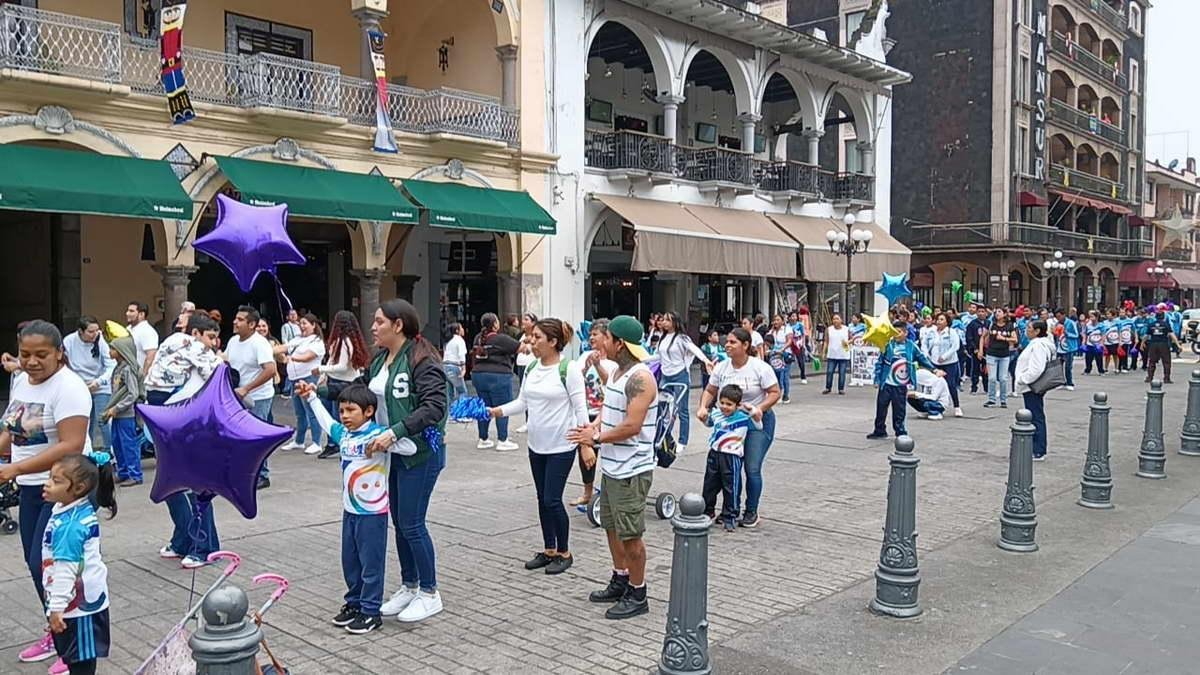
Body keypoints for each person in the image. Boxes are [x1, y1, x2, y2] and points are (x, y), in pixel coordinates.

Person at [0, 321, 92, 668]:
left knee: (55, 565)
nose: (32, 362)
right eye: (25, 354)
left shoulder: (69, 387)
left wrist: (15, 468)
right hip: (30, 488)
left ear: (59, 353)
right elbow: (11, 428)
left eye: (41, 354)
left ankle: (72, 644)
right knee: (35, 563)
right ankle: (56, 630)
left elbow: (72, 444)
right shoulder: (22, 380)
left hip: (64, 492)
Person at [356, 300, 448, 623]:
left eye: (379, 321)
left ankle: (430, 592)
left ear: (398, 325)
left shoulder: (421, 360)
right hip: (392, 454)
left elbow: (434, 406)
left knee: (412, 523)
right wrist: (318, 391)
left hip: (419, 454)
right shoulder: (380, 359)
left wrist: (395, 432)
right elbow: (363, 394)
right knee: (400, 521)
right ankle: (410, 585)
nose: (373, 327)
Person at [567, 315, 658, 620]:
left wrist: (595, 438)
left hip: (632, 469)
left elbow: (632, 425)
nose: (600, 342)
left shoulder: (641, 378)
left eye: (605, 337)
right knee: (611, 526)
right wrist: (594, 425)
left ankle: (638, 592)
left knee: (630, 535)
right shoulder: (618, 373)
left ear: (619, 343)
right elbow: (610, 409)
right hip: (613, 467)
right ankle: (621, 578)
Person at [299, 381, 403, 635]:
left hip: (373, 513)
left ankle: (371, 611)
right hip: (349, 511)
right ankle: (354, 603)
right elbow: (326, 421)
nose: (344, 416)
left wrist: (389, 441)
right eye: (342, 410)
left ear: (368, 411)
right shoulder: (344, 435)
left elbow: (410, 447)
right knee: (350, 562)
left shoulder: (380, 433)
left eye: (350, 410)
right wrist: (311, 397)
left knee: (371, 564)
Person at [492, 319, 588, 576]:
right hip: (537, 445)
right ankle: (549, 550)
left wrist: (585, 444)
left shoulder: (569, 369)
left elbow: (581, 409)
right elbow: (522, 402)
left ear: (553, 342)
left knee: (552, 499)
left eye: (537, 338)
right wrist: (496, 411)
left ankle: (564, 552)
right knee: (542, 499)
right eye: (531, 337)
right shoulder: (532, 367)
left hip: (561, 445)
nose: (531, 342)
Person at [144, 314, 222, 570]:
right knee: (173, 482)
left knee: (190, 482)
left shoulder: (177, 343)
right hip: (169, 413)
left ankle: (204, 546)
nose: (212, 343)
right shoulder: (189, 343)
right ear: (196, 333)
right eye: (210, 337)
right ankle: (185, 541)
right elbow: (217, 371)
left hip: (177, 415)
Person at [41, 453, 116, 675]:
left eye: (56, 481)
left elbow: (66, 568)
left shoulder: (70, 526)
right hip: (76, 602)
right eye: (49, 477)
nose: (47, 484)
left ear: (79, 488)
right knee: (77, 659)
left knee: (81, 663)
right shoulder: (69, 509)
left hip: (79, 607)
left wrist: (57, 608)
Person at [698, 328, 780, 528]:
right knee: (729, 467)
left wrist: (759, 409)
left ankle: (751, 511)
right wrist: (703, 407)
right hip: (731, 425)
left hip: (756, 422)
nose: (727, 345)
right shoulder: (722, 367)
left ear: (745, 345)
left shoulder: (759, 367)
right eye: (727, 341)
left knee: (751, 467)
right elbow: (710, 390)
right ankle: (729, 510)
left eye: (733, 342)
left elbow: (775, 392)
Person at [224, 306, 279, 489]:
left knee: (256, 436)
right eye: (236, 318)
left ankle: (262, 474)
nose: (235, 322)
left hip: (258, 397)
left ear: (252, 324)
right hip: (237, 396)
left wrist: (247, 388)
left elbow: (270, 369)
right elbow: (228, 362)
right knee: (240, 435)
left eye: (240, 320)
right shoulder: (233, 341)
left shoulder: (259, 343)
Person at [701, 383, 761, 532]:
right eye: (722, 403)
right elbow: (708, 422)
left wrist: (752, 410)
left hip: (732, 456)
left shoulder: (743, 417)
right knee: (709, 485)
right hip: (715, 453)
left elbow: (759, 424)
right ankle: (707, 511)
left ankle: (729, 516)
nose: (724, 407)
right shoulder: (716, 414)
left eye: (729, 404)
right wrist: (703, 415)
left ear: (737, 405)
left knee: (731, 487)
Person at [868, 320, 941, 439]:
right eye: (894, 332)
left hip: (901, 384)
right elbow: (880, 363)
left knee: (899, 409)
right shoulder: (888, 345)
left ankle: (900, 431)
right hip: (886, 383)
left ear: (905, 333)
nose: (896, 334)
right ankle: (879, 430)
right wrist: (877, 379)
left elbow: (922, 359)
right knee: (881, 408)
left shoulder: (911, 346)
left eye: (899, 332)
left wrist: (934, 369)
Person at [570, 320, 614, 509]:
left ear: (606, 336)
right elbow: (575, 380)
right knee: (585, 455)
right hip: (586, 413)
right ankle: (587, 493)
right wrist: (586, 367)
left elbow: (611, 385)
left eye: (595, 334)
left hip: (606, 414)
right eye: (590, 334)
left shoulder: (613, 362)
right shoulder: (584, 356)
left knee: (609, 455)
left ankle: (609, 493)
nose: (591, 338)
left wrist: (597, 366)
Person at [317, 310, 370, 459]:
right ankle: (333, 443)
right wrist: (324, 375)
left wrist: (321, 369)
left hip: (342, 382)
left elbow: (342, 366)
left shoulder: (344, 342)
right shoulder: (345, 340)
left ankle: (338, 444)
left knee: (338, 416)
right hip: (336, 380)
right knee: (333, 415)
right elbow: (332, 360)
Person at [654, 312, 714, 445]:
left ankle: (683, 440)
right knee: (664, 409)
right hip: (665, 376)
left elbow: (694, 349)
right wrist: (639, 359)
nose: (664, 322)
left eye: (668, 320)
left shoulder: (682, 338)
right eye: (663, 320)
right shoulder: (662, 338)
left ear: (675, 322)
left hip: (680, 376)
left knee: (682, 410)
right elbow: (657, 356)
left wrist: (706, 360)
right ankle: (665, 437)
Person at [63, 317, 115, 455]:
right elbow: (64, 364)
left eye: (97, 330)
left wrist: (99, 381)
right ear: (80, 331)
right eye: (91, 331)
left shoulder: (100, 340)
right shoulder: (69, 341)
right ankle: (88, 453)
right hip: (79, 386)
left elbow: (111, 366)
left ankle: (110, 452)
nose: (95, 334)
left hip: (100, 386)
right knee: (84, 422)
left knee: (103, 420)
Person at [277, 314, 326, 455]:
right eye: (301, 324)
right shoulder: (297, 339)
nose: (302, 326)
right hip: (294, 379)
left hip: (308, 378)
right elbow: (283, 348)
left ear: (313, 325)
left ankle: (316, 442)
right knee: (299, 413)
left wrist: (290, 358)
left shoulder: (317, 342)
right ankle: (299, 441)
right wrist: (268, 349)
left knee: (311, 411)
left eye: (305, 323)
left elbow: (307, 357)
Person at [470, 313, 520, 451]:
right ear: (495, 324)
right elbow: (520, 348)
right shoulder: (500, 339)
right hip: (498, 376)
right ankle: (502, 440)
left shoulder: (478, 338)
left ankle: (483, 438)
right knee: (502, 406)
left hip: (479, 375)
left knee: (484, 406)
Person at [102, 330, 144, 487]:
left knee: (128, 445)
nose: (110, 351)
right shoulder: (118, 368)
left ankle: (135, 474)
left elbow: (133, 394)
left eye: (113, 348)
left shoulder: (128, 370)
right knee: (117, 444)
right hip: (118, 414)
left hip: (126, 414)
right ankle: (123, 472)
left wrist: (117, 408)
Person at [1015, 320, 1057, 461]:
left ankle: (1038, 449)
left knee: (1035, 415)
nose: (1027, 330)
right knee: (1035, 414)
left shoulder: (1039, 345)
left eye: (1029, 328)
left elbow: (1037, 368)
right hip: (1034, 385)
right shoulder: (1041, 344)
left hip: (1032, 386)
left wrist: (1023, 379)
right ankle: (1035, 446)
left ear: (1037, 331)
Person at [980, 308, 1017, 408]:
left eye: (999, 312)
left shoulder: (1010, 325)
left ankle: (1003, 400)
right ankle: (991, 399)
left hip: (1004, 355)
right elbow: (983, 337)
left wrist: (1004, 338)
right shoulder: (991, 324)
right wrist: (981, 350)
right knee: (992, 378)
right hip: (991, 354)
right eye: (996, 312)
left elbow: (1015, 339)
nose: (997, 314)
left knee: (1003, 378)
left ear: (1004, 314)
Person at [928, 312, 963, 417]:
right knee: (934, 384)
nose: (939, 322)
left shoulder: (951, 332)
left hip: (949, 362)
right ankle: (933, 407)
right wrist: (927, 356)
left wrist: (944, 356)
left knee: (951, 384)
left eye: (942, 319)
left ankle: (957, 406)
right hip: (934, 362)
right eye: (938, 319)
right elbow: (925, 344)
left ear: (947, 322)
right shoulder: (932, 332)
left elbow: (955, 346)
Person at [512, 313, 538, 435]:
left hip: (531, 364)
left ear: (533, 322)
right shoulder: (521, 335)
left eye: (526, 319)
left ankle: (532, 421)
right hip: (521, 365)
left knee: (532, 393)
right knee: (524, 393)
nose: (523, 321)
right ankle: (528, 421)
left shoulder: (536, 335)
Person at [1142, 306, 1181, 384]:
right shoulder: (1166, 324)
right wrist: (1178, 345)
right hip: (1163, 344)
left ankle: (1150, 377)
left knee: (1152, 361)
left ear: (1156, 317)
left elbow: (1146, 335)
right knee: (1166, 362)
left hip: (1153, 344)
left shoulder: (1151, 324)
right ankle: (1166, 378)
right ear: (1163, 317)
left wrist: (1142, 343)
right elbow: (1171, 334)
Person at [125, 301, 159, 375]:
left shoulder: (147, 331)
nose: (127, 313)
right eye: (128, 311)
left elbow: (151, 356)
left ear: (141, 314)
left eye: (131, 311)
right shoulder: (128, 329)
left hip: (138, 376)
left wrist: (143, 377)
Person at [964, 306, 991, 394]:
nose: (981, 313)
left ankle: (986, 388)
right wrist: (975, 349)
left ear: (986, 313)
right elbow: (969, 338)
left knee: (986, 370)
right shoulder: (972, 324)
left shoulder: (989, 323)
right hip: (976, 350)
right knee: (975, 369)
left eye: (983, 311)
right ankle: (974, 388)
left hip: (987, 351)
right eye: (979, 311)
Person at [823, 314, 851, 395]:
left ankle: (841, 389)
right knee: (829, 371)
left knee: (842, 372)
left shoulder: (846, 329)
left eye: (837, 319)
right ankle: (828, 387)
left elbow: (852, 338)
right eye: (834, 319)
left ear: (841, 320)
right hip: (832, 354)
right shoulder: (829, 329)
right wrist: (824, 352)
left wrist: (847, 342)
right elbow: (826, 341)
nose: (835, 320)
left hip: (843, 354)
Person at [442, 322, 468, 406]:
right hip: (454, 366)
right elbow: (461, 355)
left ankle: (450, 411)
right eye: (461, 328)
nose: (463, 329)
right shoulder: (459, 340)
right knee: (462, 391)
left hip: (445, 365)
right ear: (457, 330)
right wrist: (463, 368)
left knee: (450, 393)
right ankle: (461, 411)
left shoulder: (448, 340)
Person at [1056, 308, 1079, 391]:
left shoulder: (1071, 323)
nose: (1058, 318)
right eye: (1057, 317)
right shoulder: (1057, 324)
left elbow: (1076, 335)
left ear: (1064, 315)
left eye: (1059, 316)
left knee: (1068, 367)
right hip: (1060, 348)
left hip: (1069, 348)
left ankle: (1069, 383)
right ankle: (1061, 382)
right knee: (1059, 367)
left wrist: (1067, 334)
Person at [1083, 311, 1105, 375]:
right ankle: (1087, 370)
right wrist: (1084, 342)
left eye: (1092, 317)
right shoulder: (1088, 325)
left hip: (1098, 344)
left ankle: (1101, 371)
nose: (1091, 318)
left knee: (1099, 358)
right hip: (1089, 344)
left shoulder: (1101, 325)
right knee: (1088, 358)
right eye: (1090, 317)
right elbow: (1085, 334)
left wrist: (1102, 343)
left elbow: (1103, 335)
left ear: (1097, 317)